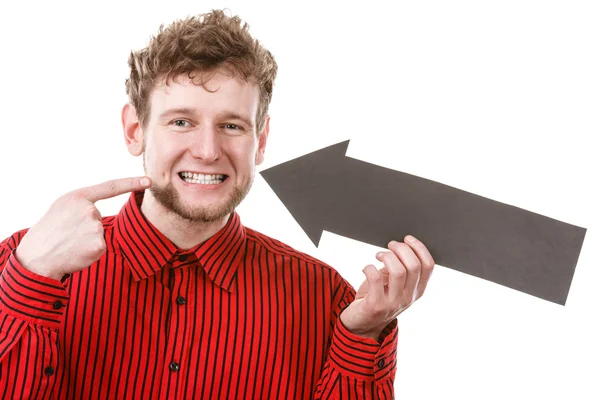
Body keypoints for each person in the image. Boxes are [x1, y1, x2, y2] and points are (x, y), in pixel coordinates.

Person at [0, 9, 434, 399]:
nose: (208, 150)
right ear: (136, 130)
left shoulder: (328, 301)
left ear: (259, 141)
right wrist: (30, 282)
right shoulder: (23, 262)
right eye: (181, 122)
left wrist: (360, 335)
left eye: (231, 125)